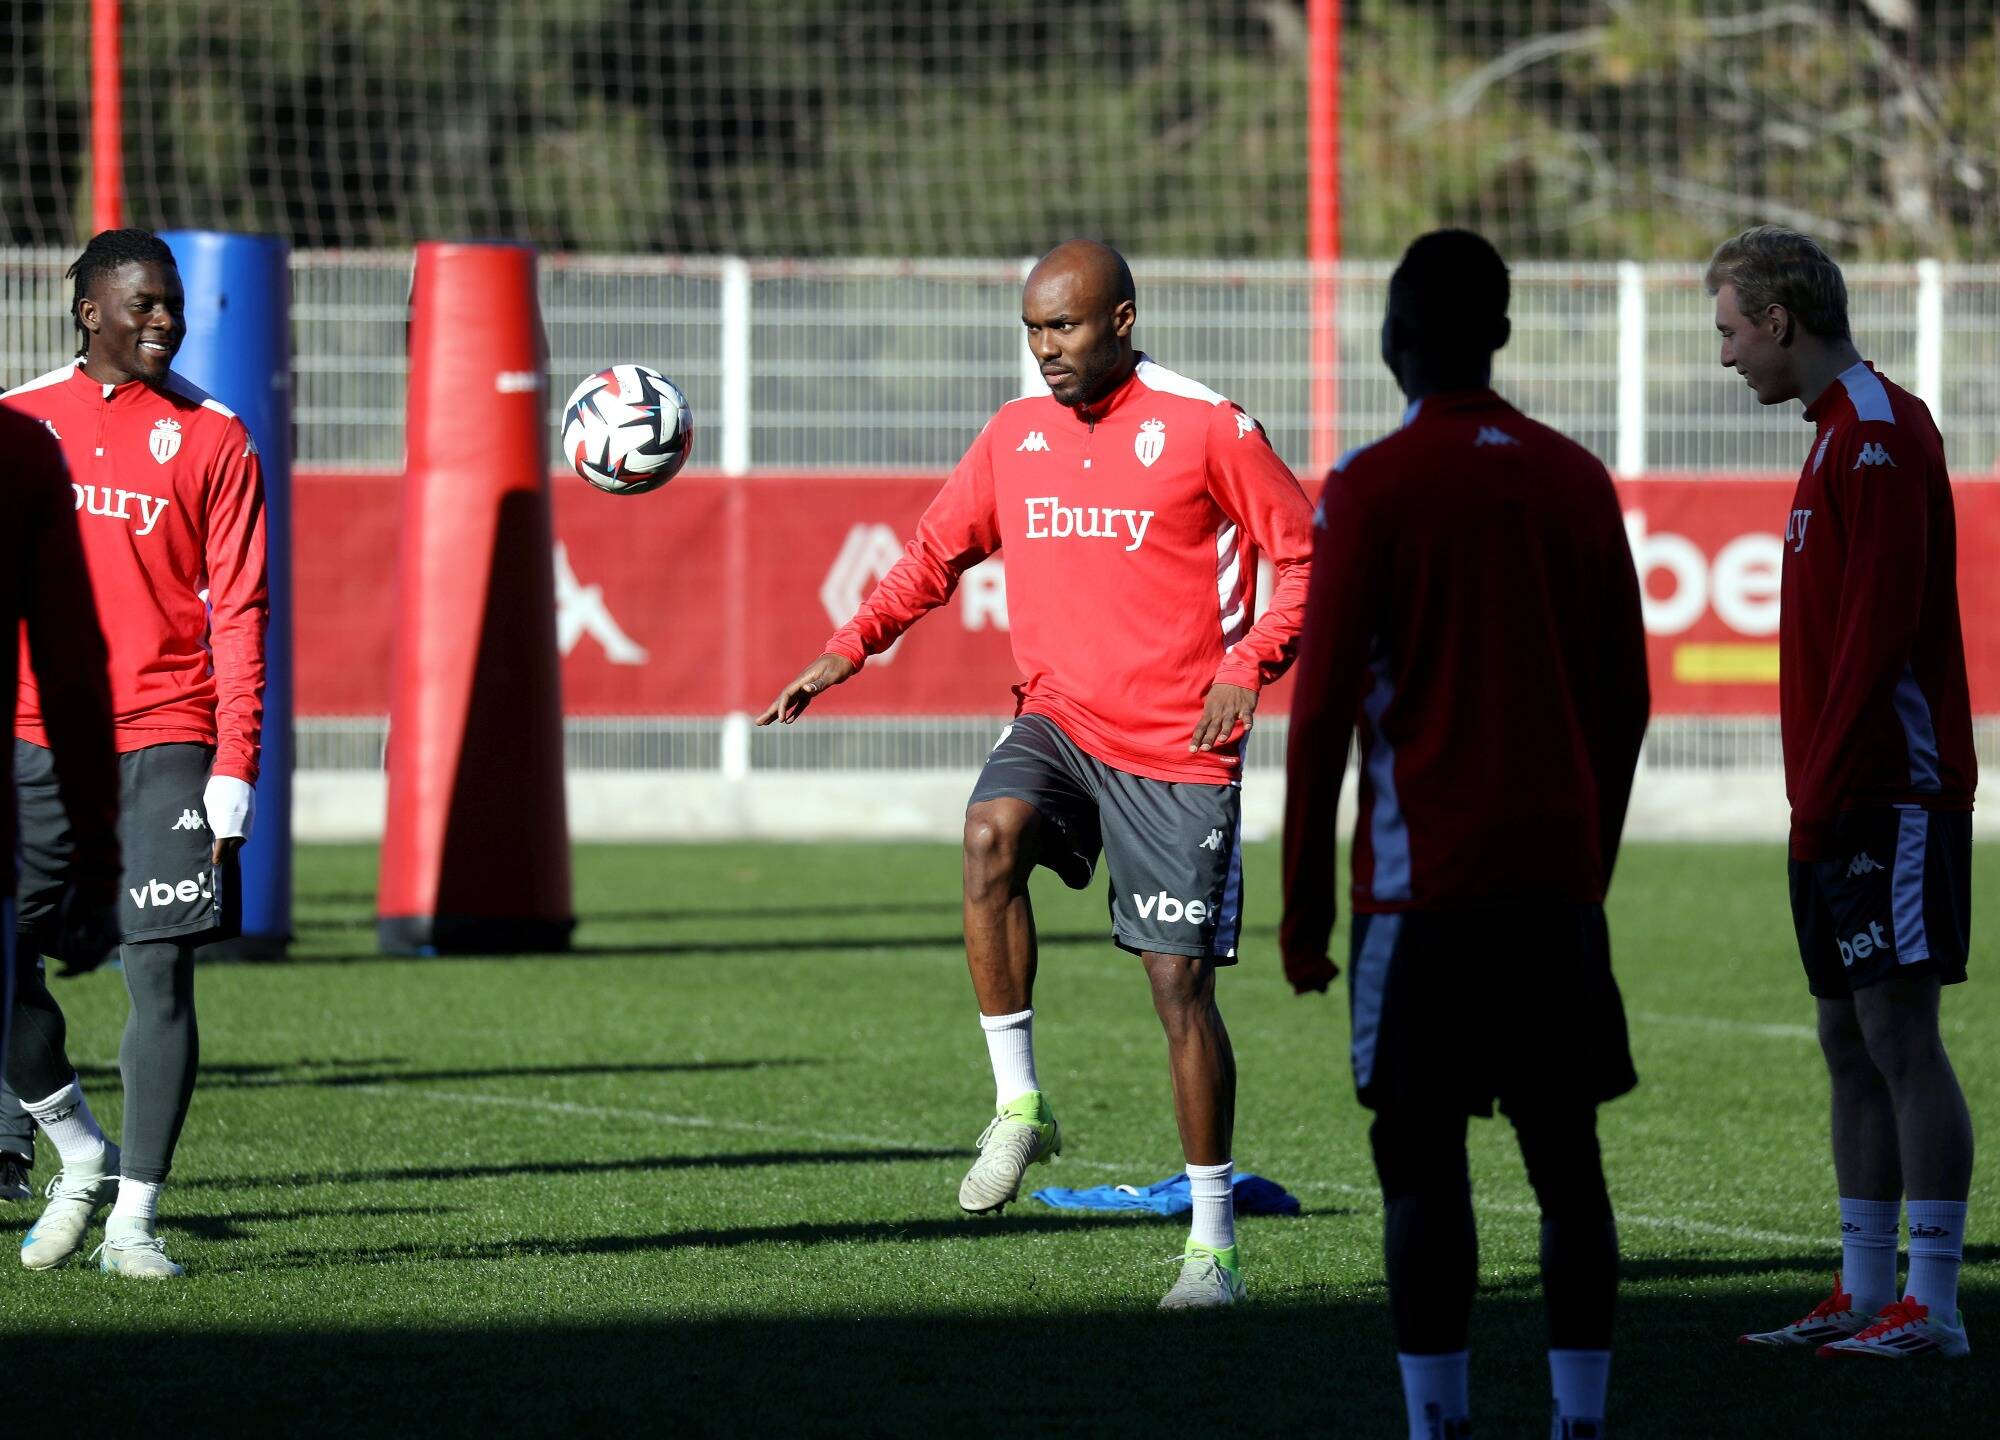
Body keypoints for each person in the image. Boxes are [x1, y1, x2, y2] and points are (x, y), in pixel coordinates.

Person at [759, 239, 1314, 1307]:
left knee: (1177, 989)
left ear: (1121, 320)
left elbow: (1301, 558)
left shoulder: (1209, 426)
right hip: (1057, 715)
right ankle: (1019, 1106)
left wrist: (1247, 667)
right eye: (1032, 330)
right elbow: (934, 555)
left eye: (1062, 326)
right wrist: (849, 646)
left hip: (1175, 742)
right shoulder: (1014, 434)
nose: (1044, 348)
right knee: (988, 834)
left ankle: (1211, 1248)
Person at [1280, 229, 1649, 1438]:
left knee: (1419, 1166)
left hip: (1420, 901)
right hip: (1553, 893)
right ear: (1497, 334)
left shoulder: (1370, 486)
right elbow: (1625, 700)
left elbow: (1321, 715)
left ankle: (1436, 1424)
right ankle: (1579, 1422)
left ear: (1392, 338)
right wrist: (1587, 866)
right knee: (1567, 1166)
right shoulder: (1574, 478)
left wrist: (1302, 914)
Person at [1711, 225, 1977, 1361]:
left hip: (1892, 791)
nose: (1726, 355)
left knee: (1899, 1033)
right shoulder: (1835, 432)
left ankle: (1935, 1304)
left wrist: (1824, 792)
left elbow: (1876, 639)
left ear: (1779, 321)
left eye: (1732, 330)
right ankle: (1865, 1289)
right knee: (1846, 1033)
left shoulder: (1875, 432)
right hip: (1835, 791)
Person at [1, 227, 268, 1279]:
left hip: (167, 733)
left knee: (157, 973)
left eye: (175, 305)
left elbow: (239, 612)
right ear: (89, 312)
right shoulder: (19, 421)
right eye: (144, 304)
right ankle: (79, 1151)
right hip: (35, 736)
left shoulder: (217, 436)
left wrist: (235, 762)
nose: (165, 320)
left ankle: (134, 1221)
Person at [0, 410, 123, 1204]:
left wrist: (98, 858)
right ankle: (76, 1149)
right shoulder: (25, 446)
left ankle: (61, 1148)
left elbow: (71, 668)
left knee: (16, 968)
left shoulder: (21, 453)